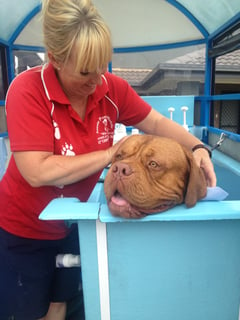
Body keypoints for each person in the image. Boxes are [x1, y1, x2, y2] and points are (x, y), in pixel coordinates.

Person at [0, 0, 216, 319]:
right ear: (56, 59)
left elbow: (155, 123)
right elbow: (36, 170)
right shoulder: (28, 90)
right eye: (86, 71)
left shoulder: (109, 87)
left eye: (102, 65)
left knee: (60, 304)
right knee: (28, 311)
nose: (97, 80)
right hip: (23, 230)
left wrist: (198, 148)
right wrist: (109, 154)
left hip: (73, 223)